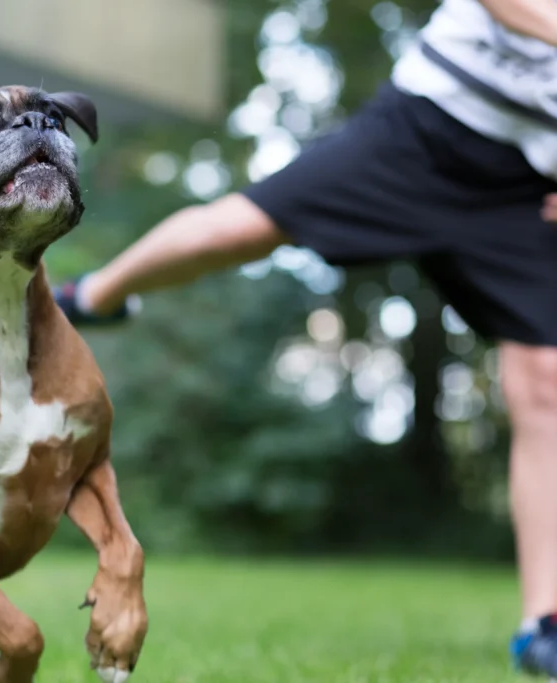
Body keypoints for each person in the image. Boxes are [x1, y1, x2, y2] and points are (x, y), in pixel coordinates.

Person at [52, 0, 557, 676]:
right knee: (245, 228)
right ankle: (96, 294)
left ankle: (543, 625)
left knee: (546, 380)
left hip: (523, 186)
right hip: (426, 127)